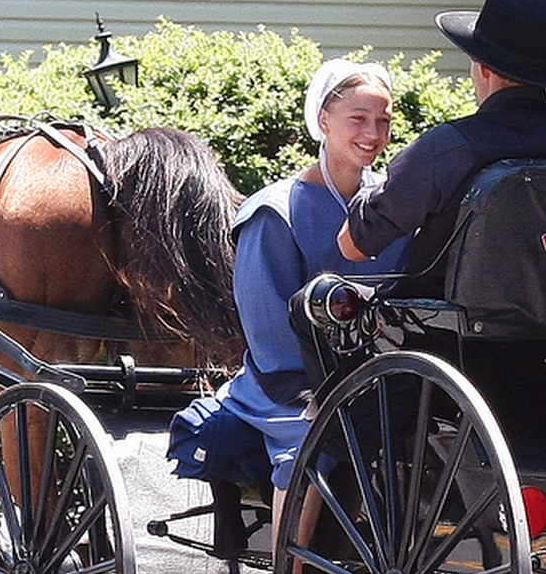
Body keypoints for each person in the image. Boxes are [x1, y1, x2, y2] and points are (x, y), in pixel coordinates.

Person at [170, 57, 405, 539]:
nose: (373, 133)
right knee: (314, 439)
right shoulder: (274, 214)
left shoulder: (391, 206)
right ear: (324, 120)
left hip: (379, 372)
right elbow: (270, 336)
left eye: (383, 121)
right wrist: (326, 387)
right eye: (358, 119)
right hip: (291, 383)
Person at [338, 0, 546, 294]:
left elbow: (353, 245)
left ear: (483, 68)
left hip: (445, 334)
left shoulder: (449, 149)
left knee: (307, 309)